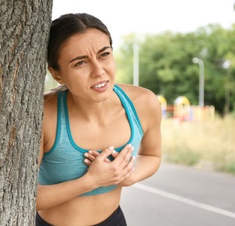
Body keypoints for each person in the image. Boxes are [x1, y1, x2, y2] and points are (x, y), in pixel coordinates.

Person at [36, 13, 162, 226]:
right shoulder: (43, 115)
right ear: (57, 74)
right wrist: (91, 181)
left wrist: (128, 176)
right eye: (80, 63)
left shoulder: (143, 103)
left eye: (104, 54)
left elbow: (152, 155)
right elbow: (22, 196)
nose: (98, 71)